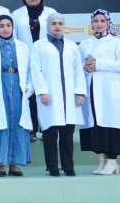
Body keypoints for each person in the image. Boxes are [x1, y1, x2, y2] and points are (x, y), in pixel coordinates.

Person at [29, 15, 86, 176]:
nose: (57, 26)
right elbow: (36, 70)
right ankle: (52, 166)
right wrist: (42, 91)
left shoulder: (72, 46)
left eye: (60, 23)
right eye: (53, 23)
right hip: (50, 95)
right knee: (50, 132)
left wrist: (80, 92)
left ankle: (68, 166)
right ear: (48, 26)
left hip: (69, 96)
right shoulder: (39, 46)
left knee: (67, 133)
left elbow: (78, 71)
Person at [79, 9, 120, 175]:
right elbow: (80, 66)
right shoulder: (85, 43)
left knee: (110, 123)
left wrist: (99, 64)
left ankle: (112, 161)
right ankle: (101, 160)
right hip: (91, 90)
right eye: (96, 21)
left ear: (108, 23)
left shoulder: (117, 43)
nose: (99, 24)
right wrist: (86, 68)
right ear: (91, 23)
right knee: (94, 125)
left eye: (102, 21)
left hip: (109, 90)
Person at [0, 15, 32, 176]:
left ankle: (15, 163)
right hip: (0, 86)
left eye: (8, 25)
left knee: (17, 122)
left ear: (13, 27)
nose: (5, 28)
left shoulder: (23, 47)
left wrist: (29, 88)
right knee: (0, 124)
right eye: (1, 26)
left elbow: (31, 70)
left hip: (18, 88)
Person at [13, 0, 60, 136]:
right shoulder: (17, 14)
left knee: (46, 90)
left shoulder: (51, 12)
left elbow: (57, 32)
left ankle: (47, 128)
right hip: (25, 59)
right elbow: (14, 38)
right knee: (28, 93)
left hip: (46, 58)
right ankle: (32, 128)